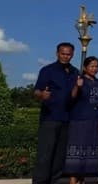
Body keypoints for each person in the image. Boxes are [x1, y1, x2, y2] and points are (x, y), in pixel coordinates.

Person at [33, 42, 79, 184]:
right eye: (63, 53)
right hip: (50, 118)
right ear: (57, 53)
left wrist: (78, 86)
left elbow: (73, 96)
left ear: (72, 54)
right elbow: (36, 91)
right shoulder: (47, 70)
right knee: (45, 155)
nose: (66, 56)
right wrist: (42, 95)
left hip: (67, 118)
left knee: (59, 156)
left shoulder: (75, 72)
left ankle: (55, 181)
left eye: (69, 54)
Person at [64, 56, 98, 184]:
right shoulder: (79, 80)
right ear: (85, 67)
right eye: (91, 66)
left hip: (94, 121)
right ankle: (73, 180)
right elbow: (71, 97)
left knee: (88, 153)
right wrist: (77, 86)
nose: (94, 68)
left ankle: (82, 179)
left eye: (96, 66)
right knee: (77, 151)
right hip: (79, 121)